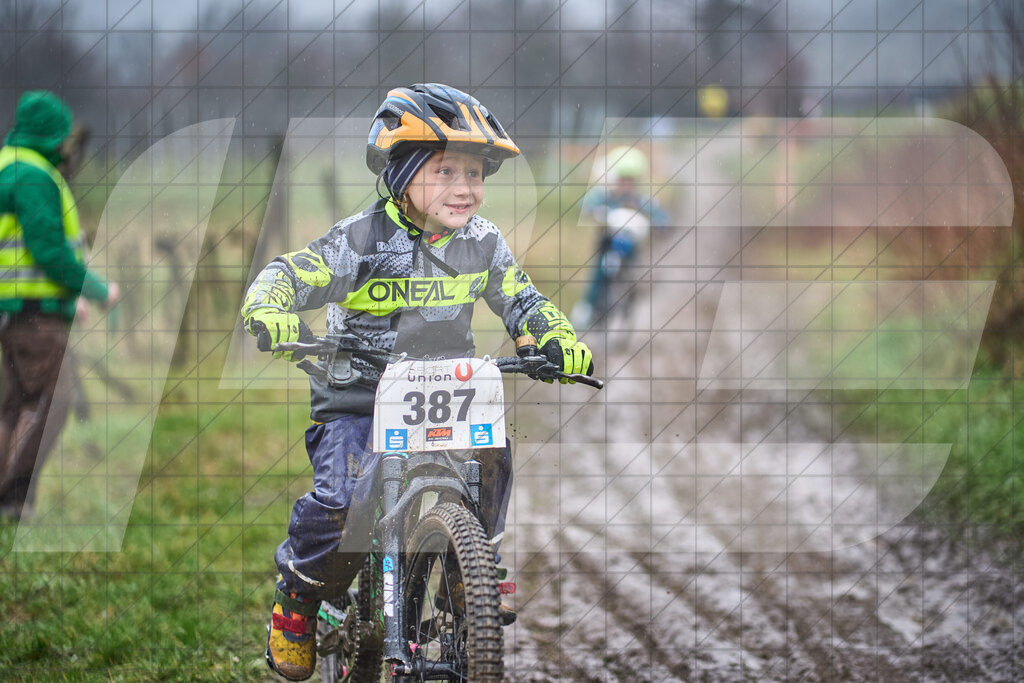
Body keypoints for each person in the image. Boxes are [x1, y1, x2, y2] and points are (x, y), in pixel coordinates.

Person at [242, 83, 595, 681]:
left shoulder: (483, 242)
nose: (465, 188)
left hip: (446, 386)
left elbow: (523, 300)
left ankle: (473, 564)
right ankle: (298, 596)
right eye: (445, 171)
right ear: (402, 175)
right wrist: (269, 310)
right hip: (358, 393)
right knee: (342, 500)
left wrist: (554, 336)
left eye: (474, 173)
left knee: (491, 452)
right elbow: (287, 274)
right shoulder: (360, 241)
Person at [0, 90, 119, 519]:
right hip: (33, 316)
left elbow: (22, 255)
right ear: (52, 135)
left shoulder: (10, 165)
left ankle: (10, 498)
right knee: (53, 402)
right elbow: (48, 251)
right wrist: (97, 290)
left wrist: (67, 297)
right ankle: (13, 498)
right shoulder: (33, 176)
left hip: (22, 310)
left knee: (16, 403)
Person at [571, 145, 669, 330]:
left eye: (630, 180)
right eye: (622, 180)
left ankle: (630, 298)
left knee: (636, 274)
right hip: (606, 244)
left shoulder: (640, 200)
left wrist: (660, 223)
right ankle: (587, 307)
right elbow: (585, 205)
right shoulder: (604, 196)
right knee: (598, 273)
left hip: (630, 248)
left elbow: (659, 215)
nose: (626, 184)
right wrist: (596, 211)